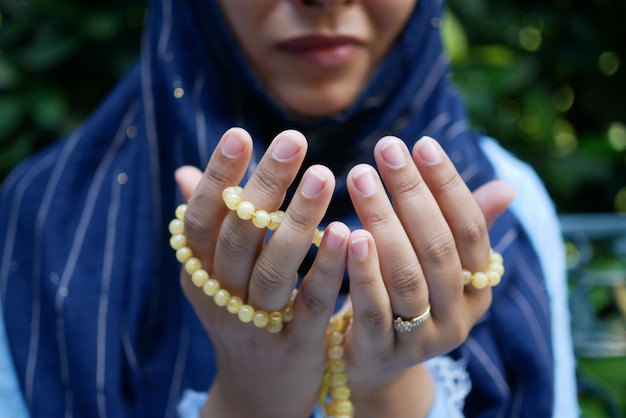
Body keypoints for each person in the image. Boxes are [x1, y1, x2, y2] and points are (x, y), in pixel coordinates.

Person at [0, 0, 579, 417]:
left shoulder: (507, 197)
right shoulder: (47, 212)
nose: (323, 3)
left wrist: (386, 388)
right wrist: (253, 395)